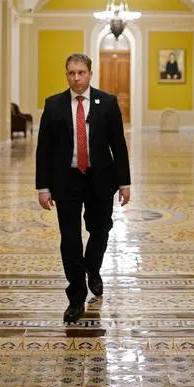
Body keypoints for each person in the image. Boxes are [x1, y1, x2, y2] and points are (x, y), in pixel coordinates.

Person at [36, 54, 131, 323]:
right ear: (66, 75)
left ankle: (93, 267)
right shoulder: (54, 105)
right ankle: (76, 297)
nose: (76, 78)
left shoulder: (108, 103)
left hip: (100, 178)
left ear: (90, 73)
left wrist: (124, 183)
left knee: (100, 229)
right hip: (66, 180)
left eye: (81, 72)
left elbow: (118, 145)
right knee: (69, 237)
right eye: (71, 73)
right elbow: (44, 148)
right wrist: (43, 186)